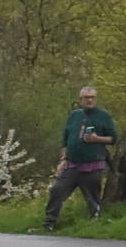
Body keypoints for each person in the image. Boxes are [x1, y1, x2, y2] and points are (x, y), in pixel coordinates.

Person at [44, 83, 119, 230]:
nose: (89, 101)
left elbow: (113, 138)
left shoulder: (103, 116)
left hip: (93, 167)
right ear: (81, 99)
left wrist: (97, 138)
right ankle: (49, 223)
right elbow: (66, 139)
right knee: (57, 191)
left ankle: (94, 225)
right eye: (86, 98)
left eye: (92, 98)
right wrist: (63, 159)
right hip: (72, 166)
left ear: (96, 99)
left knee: (93, 199)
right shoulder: (74, 115)